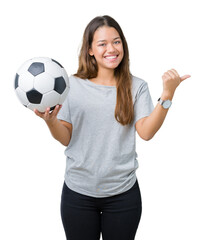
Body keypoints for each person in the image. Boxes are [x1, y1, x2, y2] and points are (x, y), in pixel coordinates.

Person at [34, 15, 191, 240]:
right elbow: (66, 137)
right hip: (78, 194)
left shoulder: (137, 86)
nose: (112, 49)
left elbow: (146, 132)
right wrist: (51, 121)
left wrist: (167, 95)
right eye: (102, 43)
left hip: (123, 195)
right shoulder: (71, 85)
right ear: (90, 50)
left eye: (116, 41)